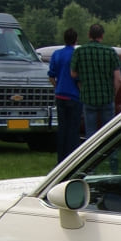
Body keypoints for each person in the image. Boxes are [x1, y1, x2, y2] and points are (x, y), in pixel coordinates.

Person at [70, 22, 120, 139]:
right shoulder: (110, 52)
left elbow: (73, 73)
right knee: (109, 132)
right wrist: (113, 93)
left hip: (88, 96)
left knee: (90, 132)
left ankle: (92, 155)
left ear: (89, 35)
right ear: (102, 35)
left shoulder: (79, 51)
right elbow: (117, 78)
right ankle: (112, 156)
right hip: (107, 97)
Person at [47, 27, 82, 159]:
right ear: (76, 40)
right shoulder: (76, 54)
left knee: (62, 128)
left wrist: (57, 86)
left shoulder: (56, 54)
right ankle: (71, 157)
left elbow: (51, 76)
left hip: (60, 94)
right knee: (73, 129)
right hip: (74, 96)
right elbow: (77, 76)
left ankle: (60, 157)